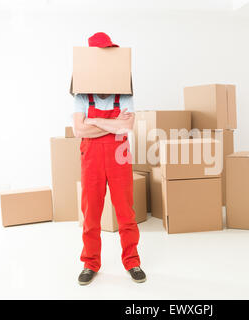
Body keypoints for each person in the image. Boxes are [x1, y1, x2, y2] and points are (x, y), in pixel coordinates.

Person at [73, 32, 146, 285]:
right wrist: (113, 123)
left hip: (119, 156)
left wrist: (94, 120)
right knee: (91, 214)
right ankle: (90, 263)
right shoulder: (81, 95)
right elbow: (79, 130)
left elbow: (127, 128)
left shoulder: (124, 93)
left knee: (126, 211)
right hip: (91, 158)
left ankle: (132, 261)